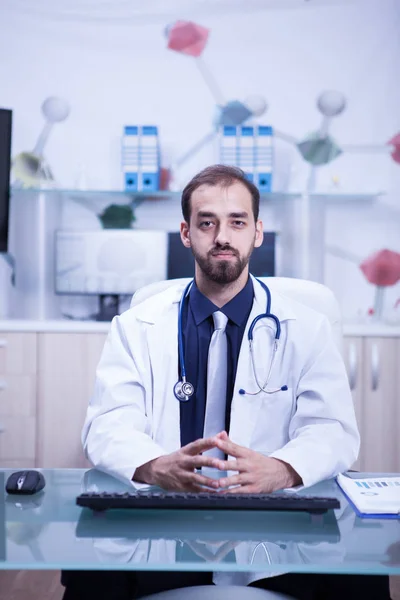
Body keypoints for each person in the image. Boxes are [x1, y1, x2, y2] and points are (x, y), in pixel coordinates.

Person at [61, 165, 391, 599]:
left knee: (362, 575)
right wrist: (155, 466)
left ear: (257, 231)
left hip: (275, 525)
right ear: (186, 233)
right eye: (207, 222)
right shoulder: (136, 325)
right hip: (163, 521)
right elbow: (107, 425)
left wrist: (282, 469)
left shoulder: (307, 327)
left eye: (237, 222)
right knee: (87, 573)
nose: (222, 236)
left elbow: (332, 430)